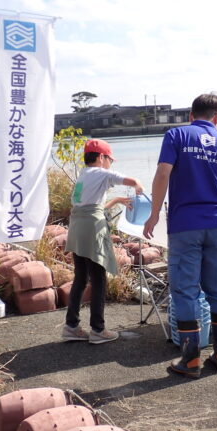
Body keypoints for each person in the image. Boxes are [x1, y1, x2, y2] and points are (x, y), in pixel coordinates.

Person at [143, 93, 217, 378]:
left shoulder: (176, 135)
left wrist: (154, 213)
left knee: (186, 291)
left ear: (191, 115)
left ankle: (190, 361)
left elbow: (162, 175)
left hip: (185, 225)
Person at [63, 139, 143, 344]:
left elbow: (89, 206)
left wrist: (116, 200)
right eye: (110, 159)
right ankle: (98, 329)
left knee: (81, 278)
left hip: (77, 227)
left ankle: (71, 326)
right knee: (98, 278)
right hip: (92, 229)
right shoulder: (101, 173)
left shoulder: (83, 176)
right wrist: (138, 185)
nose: (110, 164)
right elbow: (129, 180)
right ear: (101, 157)